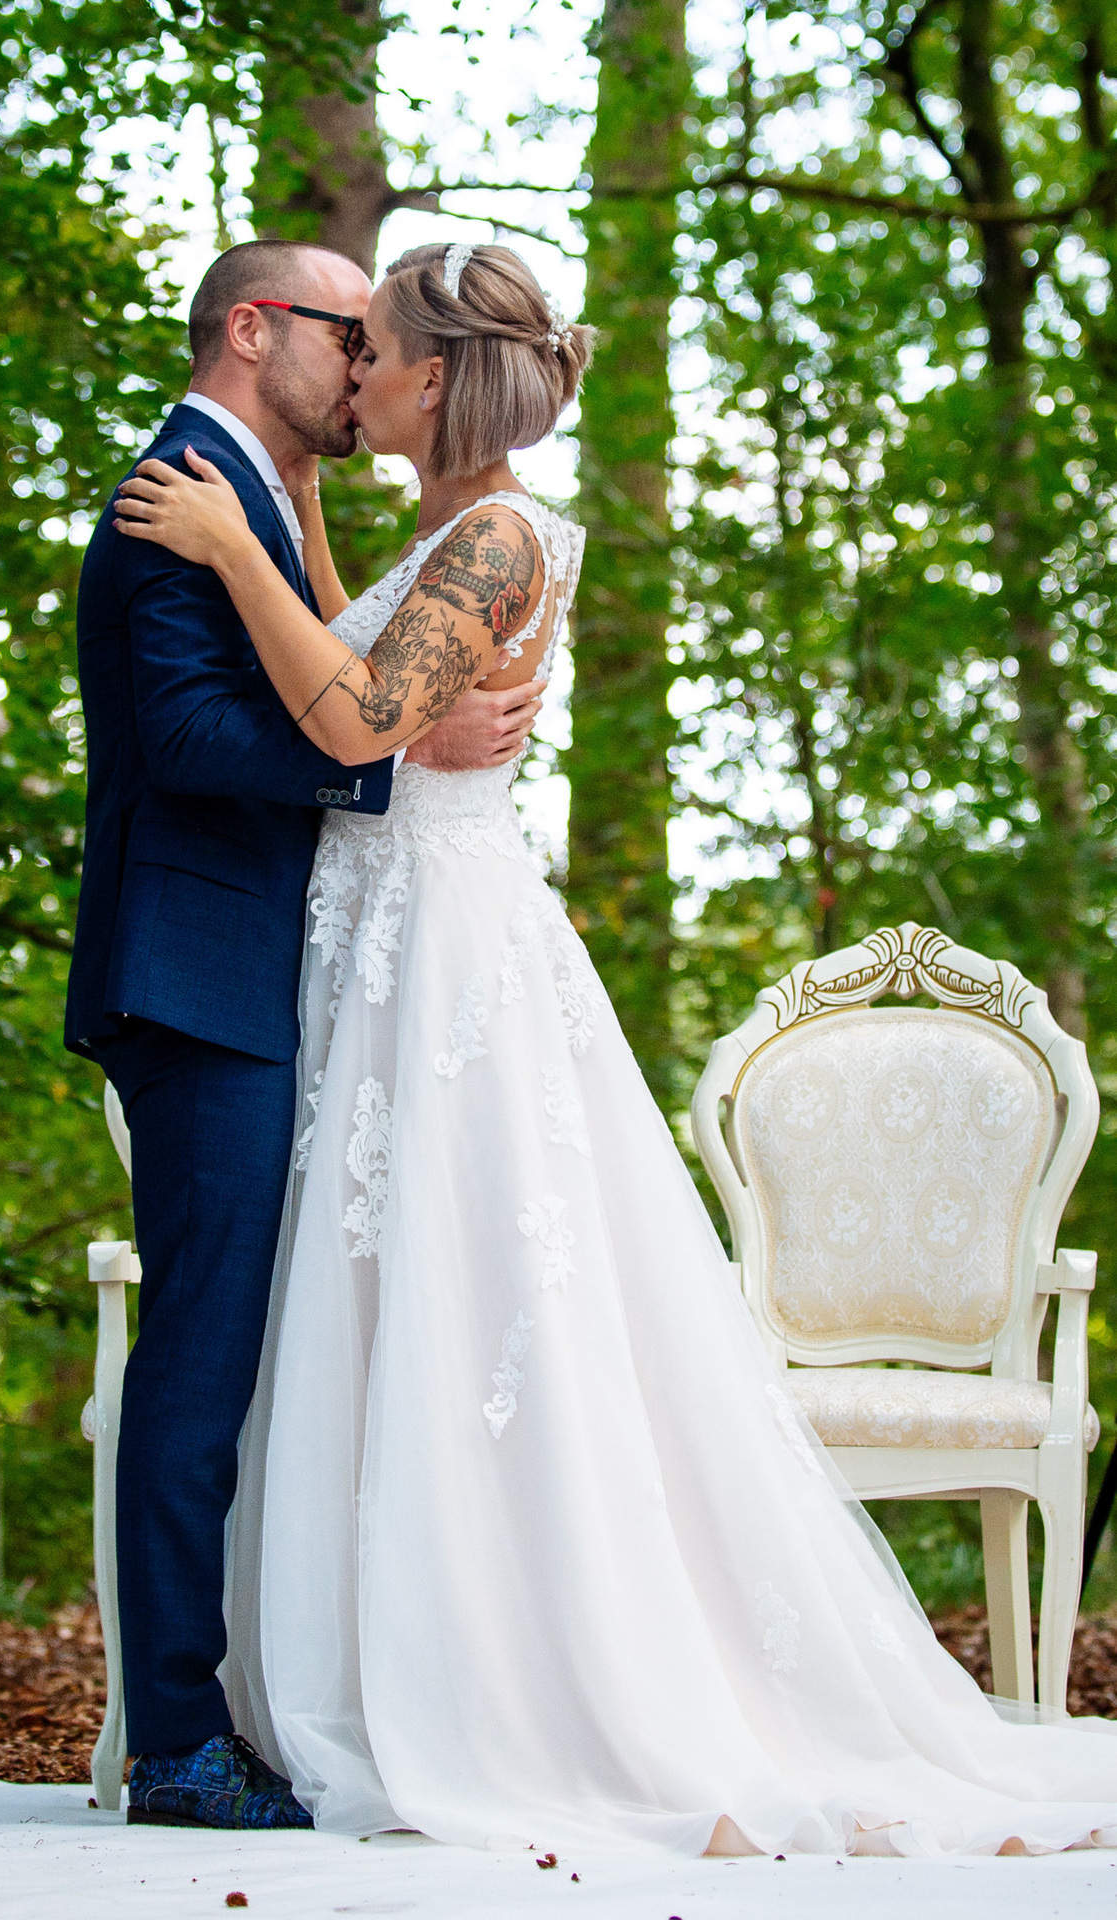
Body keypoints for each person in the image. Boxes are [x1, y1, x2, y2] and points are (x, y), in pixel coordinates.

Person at [112, 240, 1117, 1858]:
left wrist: (235, 544)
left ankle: (518, 1687)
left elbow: (356, 722)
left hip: (446, 958)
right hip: (363, 952)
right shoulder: (432, 523)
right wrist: (281, 518)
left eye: (370, 349)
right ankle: (339, 1660)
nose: (352, 372)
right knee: (376, 1308)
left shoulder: (504, 534)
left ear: (430, 377)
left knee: (474, 1297)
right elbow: (354, 670)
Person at [65, 238, 545, 1831]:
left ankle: (311, 1695)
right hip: (195, 972)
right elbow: (199, 736)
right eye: (347, 334)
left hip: (294, 967)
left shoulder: (265, 494)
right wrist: (395, 763)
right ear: (256, 329)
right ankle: (179, 1747)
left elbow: (340, 656)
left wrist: (394, 720)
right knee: (200, 1354)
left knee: (279, 1348)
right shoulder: (173, 493)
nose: (363, 366)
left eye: (381, 344)